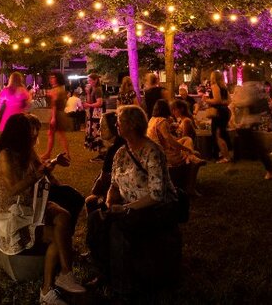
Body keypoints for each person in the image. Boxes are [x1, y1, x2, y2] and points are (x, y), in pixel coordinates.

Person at [87, 105, 178, 302]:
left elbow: (156, 195)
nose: (117, 125)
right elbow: (113, 184)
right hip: (127, 205)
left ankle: (123, 287)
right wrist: (111, 202)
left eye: (121, 121)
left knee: (119, 227)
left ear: (133, 125)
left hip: (153, 208)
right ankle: (104, 272)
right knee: (96, 220)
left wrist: (125, 209)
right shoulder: (121, 152)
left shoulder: (152, 151)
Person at [0, 114, 85, 305]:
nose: (34, 135)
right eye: (30, 132)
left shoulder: (27, 150)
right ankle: (47, 289)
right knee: (58, 235)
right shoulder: (5, 155)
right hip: (14, 213)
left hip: (32, 204)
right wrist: (38, 174)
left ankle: (65, 274)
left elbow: (40, 168)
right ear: (19, 133)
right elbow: (13, 188)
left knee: (63, 216)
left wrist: (52, 164)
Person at [147, 99, 204, 196]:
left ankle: (190, 156)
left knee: (187, 139)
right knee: (193, 153)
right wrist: (188, 149)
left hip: (157, 152)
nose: (172, 111)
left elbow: (169, 139)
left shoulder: (152, 120)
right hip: (164, 155)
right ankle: (190, 187)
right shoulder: (162, 121)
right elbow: (170, 141)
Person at [85, 111, 126, 214]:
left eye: (103, 127)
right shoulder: (123, 143)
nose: (99, 130)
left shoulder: (115, 150)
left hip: (119, 195)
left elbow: (104, 177)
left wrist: (96, 191)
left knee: (90, 201)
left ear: (113, 128)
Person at [201, 71, 232, 163]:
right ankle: (225, 154)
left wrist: (206, 100)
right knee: (222, 133)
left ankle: (226, 157)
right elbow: (228, 101)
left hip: (218, 112)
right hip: (225, 111)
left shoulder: (214, 86)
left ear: (213, 77)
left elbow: (217, 100)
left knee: (218, 135)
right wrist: (222, 102)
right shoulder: (224, 87)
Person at [42, 72, 71, 161]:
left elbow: (54, 105)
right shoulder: (61, 89)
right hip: (60, 113)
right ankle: (64, 153)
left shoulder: (56, 90)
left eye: (53, 77)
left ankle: (50, 154)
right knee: (55, 134)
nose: (51, 79)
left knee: (55, 134)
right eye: (50, 77)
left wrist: (53, 118)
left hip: (56, 114)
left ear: (57, 78)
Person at [83, 73, 105, 157]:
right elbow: (90, 102)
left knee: (97, 132)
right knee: (93, 132)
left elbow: (99, 103)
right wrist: (88, 93)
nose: (89, 82)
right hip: (93, 114)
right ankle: (100, 152)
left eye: (90, 80)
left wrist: (88, 106)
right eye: (88, 80)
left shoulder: (98, 89)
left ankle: (101, 153)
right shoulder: (93, 89)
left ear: (96, 80)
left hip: (97, 114)